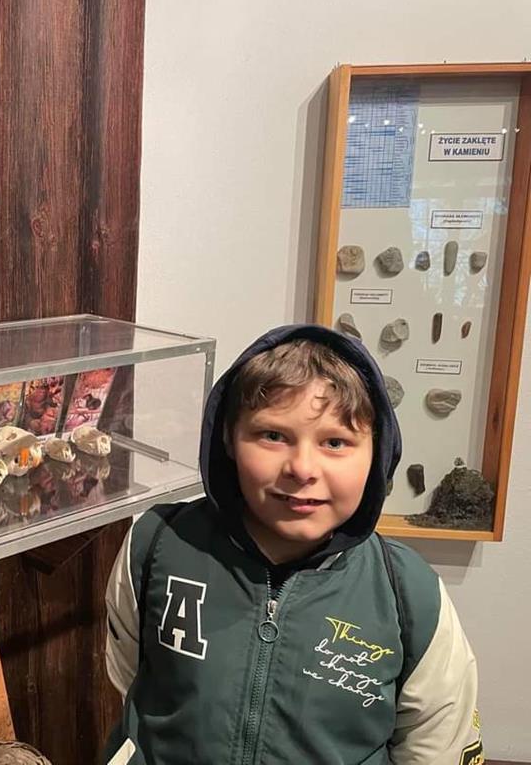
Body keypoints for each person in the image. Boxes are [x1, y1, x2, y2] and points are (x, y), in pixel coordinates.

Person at [103, 325, 482, 764]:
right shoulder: (156, 545)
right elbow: (130, 678)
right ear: (228, 438)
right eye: (273, 436)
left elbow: (436, 743)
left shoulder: (409, 595)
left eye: (335, 442)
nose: (302, 469)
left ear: (377, 452)